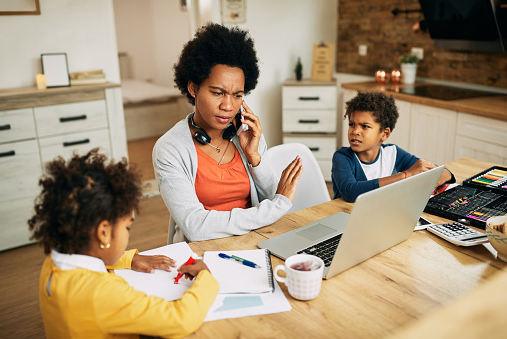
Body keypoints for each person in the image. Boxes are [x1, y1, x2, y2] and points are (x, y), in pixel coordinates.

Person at [28, 149, 219, 338]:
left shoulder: (53, 262)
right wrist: (205, 278)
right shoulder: (101, 294)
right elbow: (180, 319)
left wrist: (129, 258)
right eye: (127, 227)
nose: (128, 234)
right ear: (103, 233)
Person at [153, 23, 303, 243]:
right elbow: (195, 227)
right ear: (193, 88)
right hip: (201, 254)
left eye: (237, 95)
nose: (228, 105)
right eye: (217, 93)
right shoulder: (170, 149)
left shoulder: (246, 134)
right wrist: (275, 207)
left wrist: (255, 159)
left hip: (255, 243)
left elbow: (271, 198)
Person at [332, 91, 455, 202]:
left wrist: (441, 175)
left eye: (365, 126)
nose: (355, 131)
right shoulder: (342, 157)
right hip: (345, 218)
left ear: (384, 134)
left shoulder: (393, 153)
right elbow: (351, 192)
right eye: (352, 124)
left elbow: (443, 173)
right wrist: (405, 175)